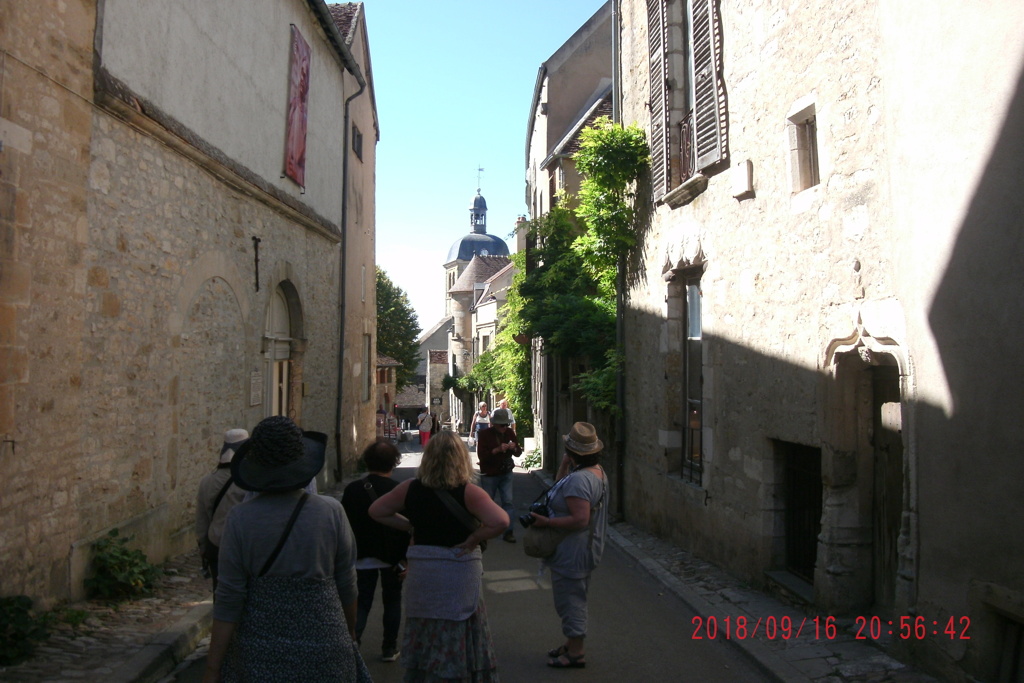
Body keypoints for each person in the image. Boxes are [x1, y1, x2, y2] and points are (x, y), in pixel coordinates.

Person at [202, 416, 370, 682]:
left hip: (260, 651)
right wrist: (348, 634)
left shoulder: (241, 519)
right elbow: (347, 584)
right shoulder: (330, 513)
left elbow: (229, 597)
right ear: (302, 463)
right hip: (325, 643)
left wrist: (213, 667)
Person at [369, 431, 508, 682]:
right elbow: (500, 521)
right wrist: (475, 537)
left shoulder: (410, 489)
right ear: (461, 459)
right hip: (460, 569)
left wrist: (410, 526)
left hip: (424, 571)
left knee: (426, 623)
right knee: (460, 622)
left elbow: (377, 511)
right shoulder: (469, 492)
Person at [528, 422, 609, 669]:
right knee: (573, 596)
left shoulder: (580, 480)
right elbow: (558, 486)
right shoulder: (595, 472)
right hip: (583, 547)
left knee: (570, 600)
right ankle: (571, 643)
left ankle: (576, 652)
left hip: (573, 550)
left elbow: (580, 519)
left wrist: (547, 522)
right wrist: (564, 464)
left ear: (572, 451)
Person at [341, 439, 411, 663]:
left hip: (361, 555)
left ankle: (354, 643)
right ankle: (389, 648)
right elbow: (409, 527)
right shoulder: (399, 490)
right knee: (392, 601)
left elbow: (345, 524)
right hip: (393, 557)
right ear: (394, 463)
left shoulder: (352, 490)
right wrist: (407, 559)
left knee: (361, 601)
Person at [195, 428, 248, 591]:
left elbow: (202, 520)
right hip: (242, 546)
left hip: (216, 543)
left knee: (221, 592)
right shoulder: (248, 482)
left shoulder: (207, 481)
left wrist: (203, 549)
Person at [476, 408, 523, 544]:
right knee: (487, 503)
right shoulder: (484, 434)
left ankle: (509, 532)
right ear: (494, 424)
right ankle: (485, 533)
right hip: (490, 474)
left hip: (506, 472)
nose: (504, 427)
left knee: (508, 502)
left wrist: (514, 448)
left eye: (506, 424)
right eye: (502, 425)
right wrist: (497, 450)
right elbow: (482, 456)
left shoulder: (509, 432)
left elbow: (518, 452)